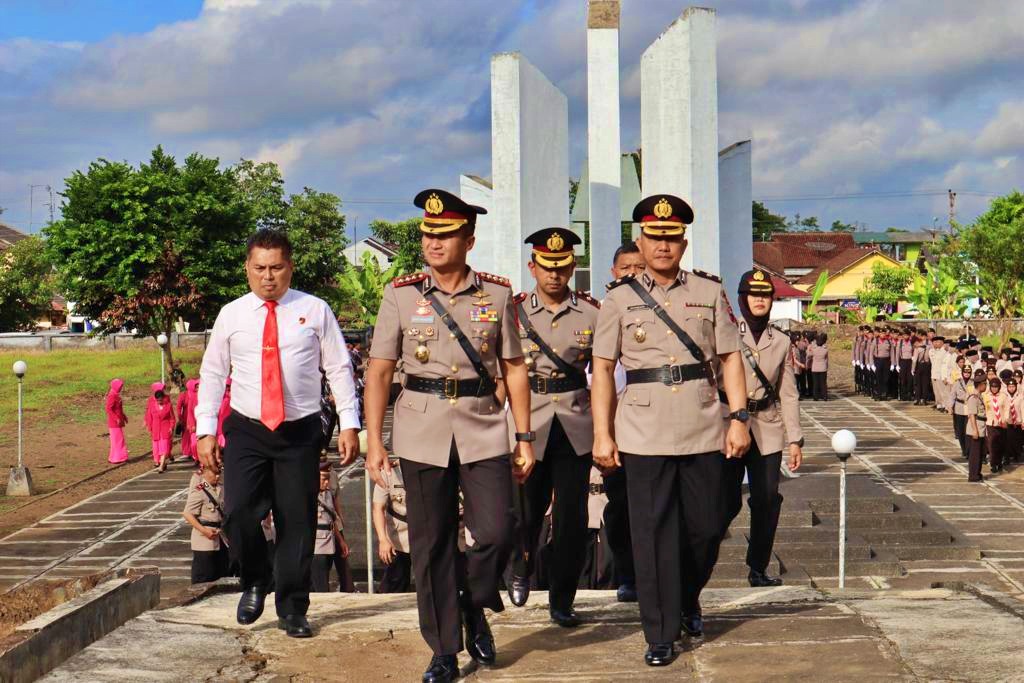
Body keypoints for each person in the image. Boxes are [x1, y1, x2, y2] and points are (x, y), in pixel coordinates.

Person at [363, 188, 535, 683]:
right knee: (432, 542)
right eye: (428, 234)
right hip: (421, 427)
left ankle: (473, 602)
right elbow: (379, 370)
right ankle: (443, 649)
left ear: (469, 240)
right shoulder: (401, 294)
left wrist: (524, 436)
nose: (433, 243)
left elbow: (514, 367)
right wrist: (375, 439)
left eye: (445, 234)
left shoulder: (496, 295)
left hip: (483, 425)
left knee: (498, 530)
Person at [591, 194, 750, 667]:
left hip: (702, 423)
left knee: (708, 524)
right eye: (654, 237)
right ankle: (659, 632)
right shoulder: (618, 299)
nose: (663, 246)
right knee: (652, 532)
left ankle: (686, 596)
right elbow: (603, 370)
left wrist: (739, 418)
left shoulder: (708, 291)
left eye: (672, 238)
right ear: (641, 242)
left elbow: (730, 358)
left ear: (683, 242)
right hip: (642, 428)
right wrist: (603, 433)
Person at [194, 229, 361, 639]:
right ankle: (254, 580)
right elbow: (212, 373)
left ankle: (292, 606)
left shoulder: (315, 309)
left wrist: (349, 422)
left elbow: (339, 367)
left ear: (290, 267)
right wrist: (205, 430)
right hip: (247, 429)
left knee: (297, 521)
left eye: (276, 267)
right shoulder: (231, 314)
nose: (268, 276)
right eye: (260, 268)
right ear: (247, 269)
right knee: (238, 512)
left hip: (299, 432)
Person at [504, 228, 597, 628]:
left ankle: (563, 597)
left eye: (561, 267)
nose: (554, 274)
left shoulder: (592, 313)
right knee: (525, 511)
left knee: (572, 518)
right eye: (546, 267)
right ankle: (520, 566)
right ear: (533, 268)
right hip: (530, 423)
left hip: (574, 424)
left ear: (572, 268)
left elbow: (602, 373)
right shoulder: (513, 311)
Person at [722, 269, 804, 587]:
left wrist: (795, 439)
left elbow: (788, 393)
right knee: (725, 500)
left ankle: (758, 567)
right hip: (729, 426)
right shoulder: (727, 334)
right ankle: (700, 563)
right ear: (742, 299)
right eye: (753, 294)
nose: (759, 299)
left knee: (767, 499)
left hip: (767, 426)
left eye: (765, 295)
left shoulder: (781, 341)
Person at [600, 243, 644, 603]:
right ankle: (628, 574)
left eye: (638, 267)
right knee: (619, 508)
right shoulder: (600, 311)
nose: (631, 273)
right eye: (625, 267)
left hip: (649, 425)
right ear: (613, 272)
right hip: (613, 427)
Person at [183, 466, 230, 584]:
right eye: (214, 473)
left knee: (221, 573)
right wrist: (204, 531)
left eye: (219, 473)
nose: (218, 476)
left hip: (221, 537)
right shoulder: (200, 490)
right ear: (205, 473)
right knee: (204, 575)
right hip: (204, 539)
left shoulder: (221, 488)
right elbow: (187, 514)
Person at [372, 457, 413, 593]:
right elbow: (378, 508)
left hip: (425, 533)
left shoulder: (428, 469)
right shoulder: (389, 473)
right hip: (398, 537)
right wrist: (383, 540)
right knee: (395, 582)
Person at [311, 462, 352, 592]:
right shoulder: (306, 495)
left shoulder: (327, 493)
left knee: (323, 582)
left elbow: (331, 520)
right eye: (324, 479)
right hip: (316, 546)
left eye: (328, 479)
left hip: (329, 544)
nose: (327, 483)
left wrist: (341, 541)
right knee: (320, 587)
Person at [145, 384, 176, 472]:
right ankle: (162, 463)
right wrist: (149, 427)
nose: (159, 402)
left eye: (161, 400)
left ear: (164, 398)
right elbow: (149, 417)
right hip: (155, 430)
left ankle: (161, 466)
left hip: (165, 430)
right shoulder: (152, 406)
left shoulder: (168, 406)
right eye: (158, 400)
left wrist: (171, 427)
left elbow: (172, 418)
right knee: (157, 449)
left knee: (164, 448)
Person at [966, 378, 987, 482]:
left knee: (980, 453)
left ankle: (977, 473)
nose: (986, 386)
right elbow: (972, 415)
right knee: (975, 454)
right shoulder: (973, 398)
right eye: (985, 384)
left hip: (981, 427)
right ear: (980, 385)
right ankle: (973, 476)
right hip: (976, 428)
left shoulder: (979, 396)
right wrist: (975, 430)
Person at [985, 378, 1007, 474]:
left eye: (996, 387)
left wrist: (1005, 420)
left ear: (999, 387)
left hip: (1001, 423)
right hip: (991, 423)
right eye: (992, 387)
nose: (994, 389)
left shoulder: (1003, 396)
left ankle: (999, 462)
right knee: (991, 444)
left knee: (1001, 444)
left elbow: (1007, 409)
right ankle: (993, 464)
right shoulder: (986, 396)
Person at [106, 379, 129, 464]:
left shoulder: (115, 394)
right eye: (120, 387)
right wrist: (116, 418)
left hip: (117, 421)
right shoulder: (112, 395)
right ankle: (119, 458)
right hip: (114, 422)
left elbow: (119, 409)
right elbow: (108, 409)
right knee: (118, 440)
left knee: (116, 440)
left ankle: (113, 457)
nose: (121, 388)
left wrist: (124, 416)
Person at [951, 368, 972, 459]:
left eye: (969, 372)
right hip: (959, 408)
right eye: (965, 372)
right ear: (962, 373)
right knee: (960, 431)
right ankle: (963, 449)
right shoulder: (957, 383)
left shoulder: (973, 383)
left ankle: (968, 450)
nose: (967, 374)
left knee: (968, 431)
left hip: (969, 408)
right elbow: (952, 395)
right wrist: (950, 407)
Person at [178, 379, 200, 461]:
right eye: (195, 386)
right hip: (186, 417)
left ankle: (195, 453)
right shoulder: (184, 395)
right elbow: (179, 407)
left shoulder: (198, 395)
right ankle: (187, 451)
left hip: (197, 417)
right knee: (186, 435)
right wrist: (180, 417)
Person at [1004, 377, 1022, 465]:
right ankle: (1007, 457)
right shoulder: (1004, 396)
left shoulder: (1020, 397)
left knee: (1017, 440)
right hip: (1008, 422)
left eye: (1013, 386)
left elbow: (1022, 409)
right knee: (1007, 441)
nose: (1011, 388)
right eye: (1010, 386)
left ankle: (1017, 455)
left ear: (1016, 387)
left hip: (1017, 422)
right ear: (1007, 387)